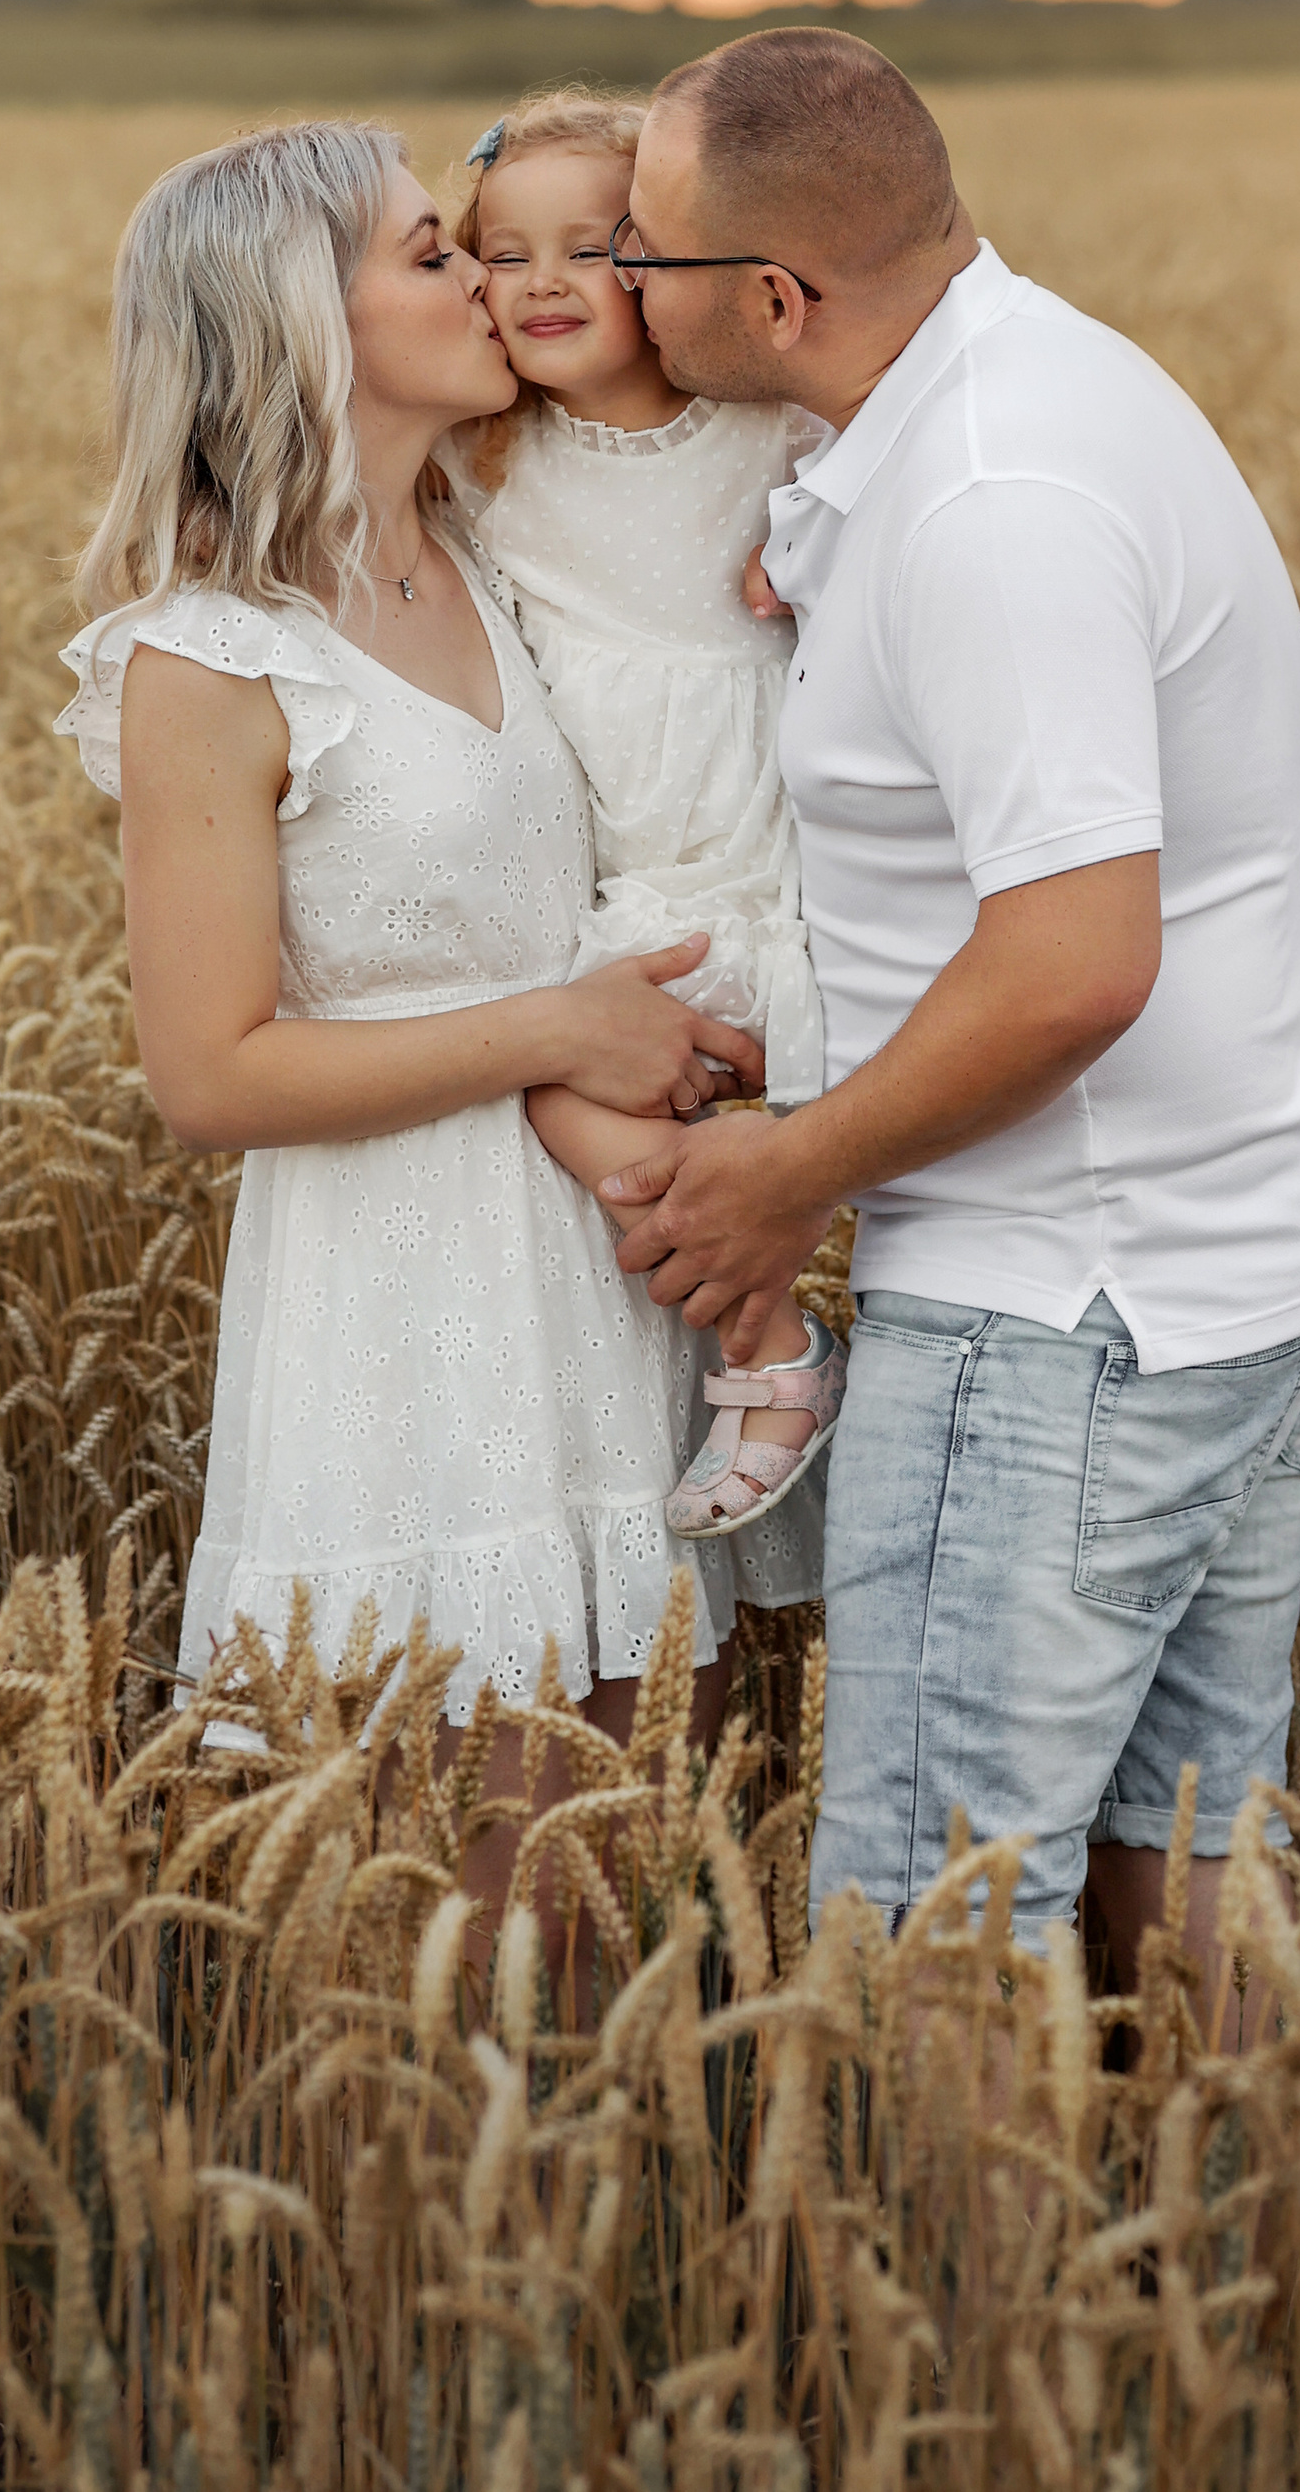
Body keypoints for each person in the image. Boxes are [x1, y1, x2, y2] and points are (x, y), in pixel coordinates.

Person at [595, 28, 1300, 2026]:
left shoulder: (986, 504)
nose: (615, 281)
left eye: (641, 254)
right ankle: (1236, 2317)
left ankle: (982, 2342)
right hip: (1248, 1257)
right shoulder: (1009, 383)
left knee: (931, 1928)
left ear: (770, 298)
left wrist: (785, 1175)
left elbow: (1069, 967)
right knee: (1175, 1853)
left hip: (1068, 1319)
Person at [53, 118, 770, 1805]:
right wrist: (560, 1030)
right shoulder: (212, 657)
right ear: (309, 318)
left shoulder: (492, 552)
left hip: (606, 1275)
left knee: (653, 1858)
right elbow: (210, 1070)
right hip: (403, 1307)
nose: (483, 279)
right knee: (478, 1891)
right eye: (431, 250)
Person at [446, 90, 843, 1552]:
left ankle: (787, 1350)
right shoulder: (488, 471)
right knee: (570, 1092)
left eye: (590, 244)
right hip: (651, 880)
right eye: (502, 252)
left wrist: (813, 552)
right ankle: (770, 1344)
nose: (543, 280)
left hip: (777, 850)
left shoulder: (761, 432)